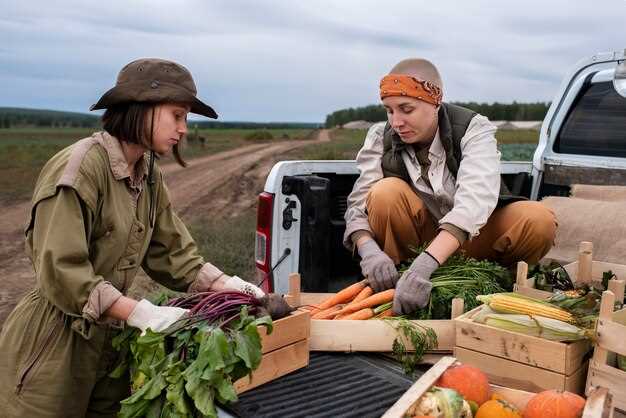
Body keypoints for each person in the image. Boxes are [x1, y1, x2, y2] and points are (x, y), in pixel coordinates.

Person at [0, 58, 266, 418]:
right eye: (177, 115)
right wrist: (139, 311)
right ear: (141, 109)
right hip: (53, 342)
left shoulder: (149, 174)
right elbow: (62, 272)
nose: (184, 129)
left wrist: (229, 285)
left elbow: (174, 254)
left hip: (110, 343)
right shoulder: (81, 169)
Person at [343, 58, 557, 315]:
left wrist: (426, 264)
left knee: (538, 220)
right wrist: (368, 250)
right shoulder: (381, 137)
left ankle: (495, 287)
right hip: (417, 241)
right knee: (384, 193)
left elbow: (473, 204)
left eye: (406, 109)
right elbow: (359, 204)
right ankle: (398, 286)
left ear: (434, 103)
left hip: (473, 238)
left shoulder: (472, 129)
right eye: (389, 110)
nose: (396, 121)